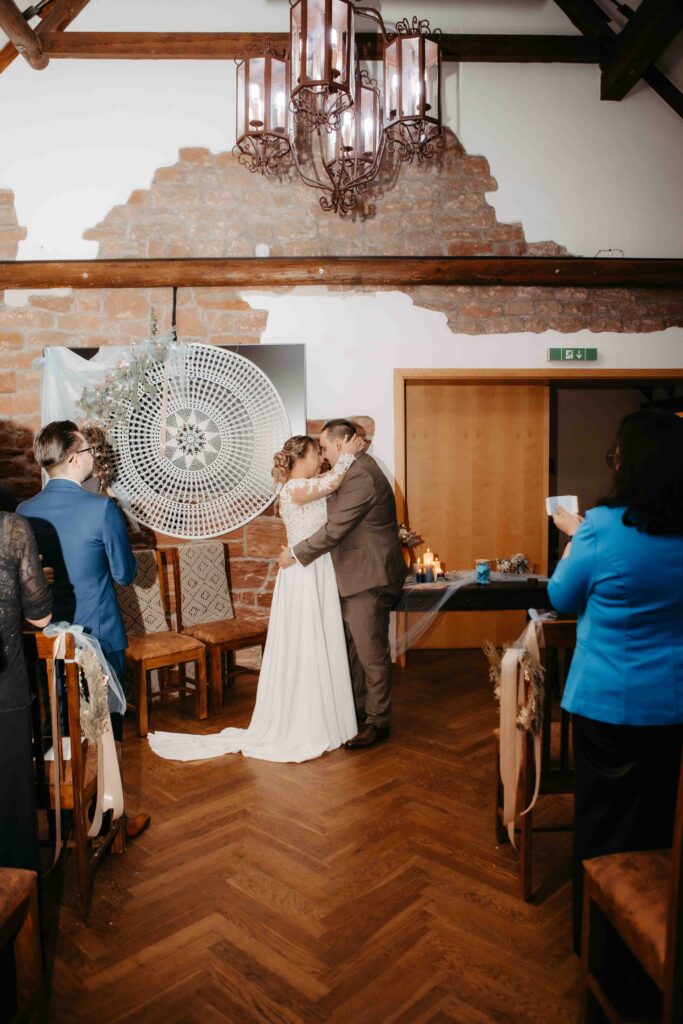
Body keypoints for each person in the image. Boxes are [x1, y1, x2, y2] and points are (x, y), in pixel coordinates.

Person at [548, 407, 683, 953]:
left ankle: (601, 946)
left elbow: (561, 597)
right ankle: (655, 938)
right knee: (658, 821)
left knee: (603, 822)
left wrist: (572, 542)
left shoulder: (602, 527)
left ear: (630, 463)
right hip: (672, 702)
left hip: (608, 702)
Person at [148, 433, 364, 763]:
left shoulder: (307, 485)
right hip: (303, 575)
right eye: (315, 453)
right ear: (301, 458)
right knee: (306, 641)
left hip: (313, 567)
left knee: (319, 636)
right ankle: (305, 721)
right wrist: (346, 455)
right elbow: (332, 483)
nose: (320, 458)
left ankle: (325, 716)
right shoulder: (294, 488)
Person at [17, 420, 150, 839]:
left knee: (61, 725)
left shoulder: (23, 511)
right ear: (75, 458)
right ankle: (109, 817)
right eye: (89, 450)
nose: (94, 456)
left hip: (50, 641)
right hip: (99, 634)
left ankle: (69, 817)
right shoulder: (101, 509)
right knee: (107, 726)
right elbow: (125, 574)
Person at [278, 419, 409, 749]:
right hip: (351, 575)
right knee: (352, 648)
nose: (322, 455)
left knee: (370, 653)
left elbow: (335, 529)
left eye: (324, 447)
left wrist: (295, 552)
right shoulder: (347, 471)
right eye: (317, 450)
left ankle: (377, 722)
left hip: (368, 576)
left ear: (339, 444)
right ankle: (358, 712)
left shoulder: (360, 473)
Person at [0, 511, 52, 872]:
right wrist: (36, 578)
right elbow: (40, 618)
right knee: (11, 806)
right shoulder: (11, 528)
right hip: (4, 689)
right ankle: (18, 899)